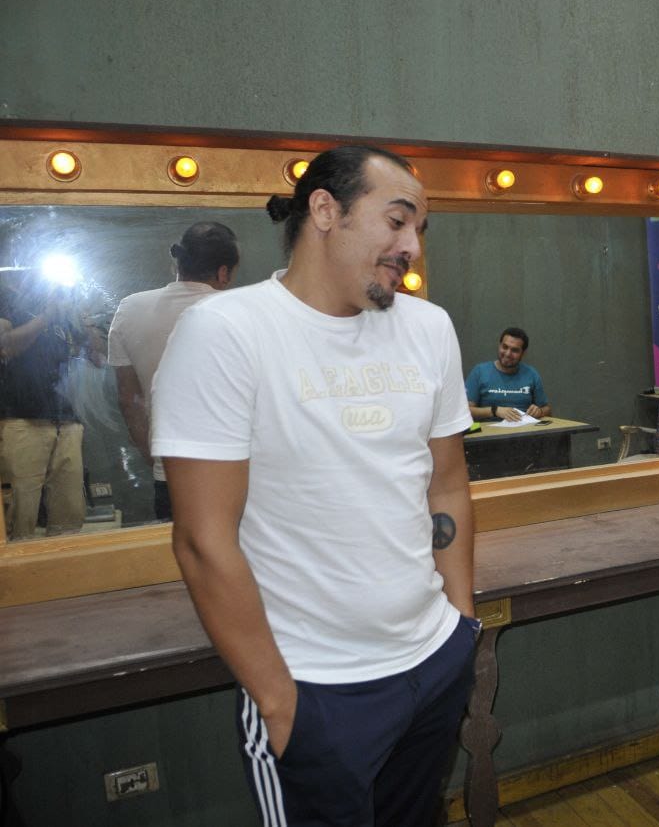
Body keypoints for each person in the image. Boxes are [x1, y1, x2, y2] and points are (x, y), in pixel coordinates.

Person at [150, 145, 478, 826]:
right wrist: (278, 701)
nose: (412, 246)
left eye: (419, 229)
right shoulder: (225, 331)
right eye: (397, 221)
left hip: (432, 662)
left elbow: (446, 486)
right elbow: (203, 541)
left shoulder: (429, 327)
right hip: (315, 688)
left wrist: (461, 627)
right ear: (325, 210)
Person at [107, 221, 239, 521]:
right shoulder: (240, 311)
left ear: (177, 263)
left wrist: (154, 457)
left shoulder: (130, 308)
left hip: (170, 473)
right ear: (223, 272)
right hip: (238, 472)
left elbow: (129, 400)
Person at [0, 267, 101, 541]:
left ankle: (65, 565)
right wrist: (45, 316)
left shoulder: (63, 316)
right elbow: (5, 347)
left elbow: (97, 358)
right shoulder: (9, 303)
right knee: (19, 517)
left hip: (66, 422)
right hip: (21, 420)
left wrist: (86, 322)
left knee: (69, 516)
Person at [465, 327, 552, 421]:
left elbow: (547, 409)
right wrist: (494, 410)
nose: (508, 354)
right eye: (505, 347)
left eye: (514, 350)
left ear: (523, 353)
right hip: (489, 429)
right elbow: (465, 412)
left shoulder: (531, 374)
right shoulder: (480, 372)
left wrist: (539, 411)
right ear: (499, 346)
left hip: (523, 428)